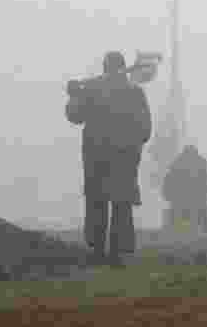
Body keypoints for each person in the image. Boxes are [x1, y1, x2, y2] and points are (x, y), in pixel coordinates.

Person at [65, 51, 152, 266]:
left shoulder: (93, 91)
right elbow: (145, 130)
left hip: (97, 157)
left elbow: (74, 116)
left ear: (105, 68)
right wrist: (133, 146)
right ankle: (117, 253)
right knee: (121, 204)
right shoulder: (135, 93)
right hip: (124, 158)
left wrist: (74, 95)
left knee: (97, 203)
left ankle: (97, 252)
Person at [161, 144, 207, 233]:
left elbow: (166, 188)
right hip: (192, 205)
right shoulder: (199, 170)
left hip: (183, 205)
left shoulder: (176, 170)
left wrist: (169, 196)